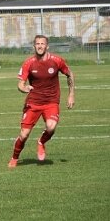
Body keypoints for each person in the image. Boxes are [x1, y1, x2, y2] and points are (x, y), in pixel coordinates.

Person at [8, 35, 75, 168]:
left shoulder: (57, 61)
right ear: (34, 46)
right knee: (24, 134)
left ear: (47, 46)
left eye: (42, 44)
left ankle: (41, 142)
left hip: (51, 101)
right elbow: (20, 84)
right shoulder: (29, 62)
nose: (40, 46)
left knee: (51, 126)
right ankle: (14, 158)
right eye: (37, 44)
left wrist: (71, 94)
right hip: (33, 103)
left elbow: (69, 74)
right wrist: (24, 88)